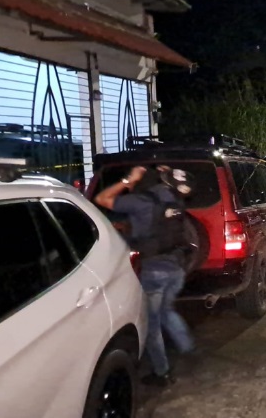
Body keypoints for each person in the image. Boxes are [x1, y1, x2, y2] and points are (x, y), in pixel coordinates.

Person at [95, 165, 196, 387]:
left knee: (151, 324)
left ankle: (162, 373)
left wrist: (127, 180)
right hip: (177, 267)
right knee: (166, 311)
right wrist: (167, 173)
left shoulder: (142, 202)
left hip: (155, 271)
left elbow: (102, 199)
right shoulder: (176, 200)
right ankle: (188, 348)